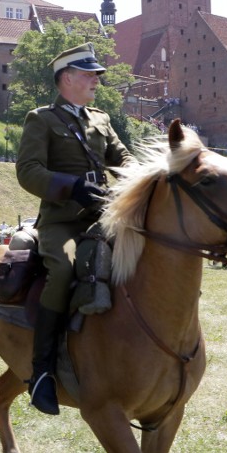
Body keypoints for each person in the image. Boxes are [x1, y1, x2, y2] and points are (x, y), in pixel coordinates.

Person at [15, 42, 133, 415]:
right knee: (65, 269)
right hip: (61, 220)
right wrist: (73, 187)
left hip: (104, 215)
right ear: (67, 78)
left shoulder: (101, 119)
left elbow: (123, 157)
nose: (97, 80)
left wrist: (139, 178)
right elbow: (28, 171)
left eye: (96, 74)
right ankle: (41, 373)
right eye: (89, 74)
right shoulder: (42, 119)